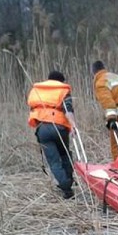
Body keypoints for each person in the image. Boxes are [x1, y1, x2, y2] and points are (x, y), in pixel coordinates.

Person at [27, 71, 77, 199]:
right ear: (61, 80)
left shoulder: (38, 91)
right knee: (65, 154)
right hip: (59, 127)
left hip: (43, 129)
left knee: (54, 161)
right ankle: (69, 181)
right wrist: (73, 125)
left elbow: (33, 110)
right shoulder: (62, 89)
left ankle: (66, 188)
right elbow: (68, 109)